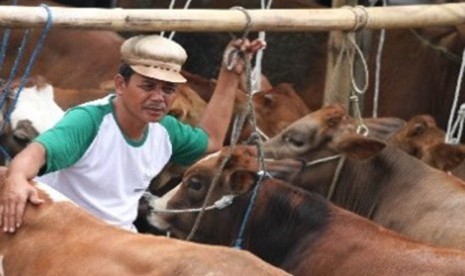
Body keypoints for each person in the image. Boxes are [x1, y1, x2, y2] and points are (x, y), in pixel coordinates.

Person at [0, 34, 266, 232]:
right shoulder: (89, 121)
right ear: (120, 84)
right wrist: (16, 181)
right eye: (148, 86)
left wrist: (229, 75)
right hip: (65, 234)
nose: (158, 98)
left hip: (119, 237)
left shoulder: (165, 129)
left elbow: (210, 141)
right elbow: (36, 152)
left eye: (168, 90)